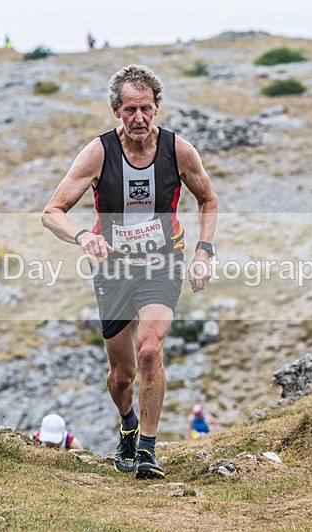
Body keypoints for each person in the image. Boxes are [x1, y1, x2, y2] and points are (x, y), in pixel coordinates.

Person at [41, 64, 218, 479]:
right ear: (116, 111)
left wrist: (203, 251)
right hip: (113, 267)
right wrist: (84, 235)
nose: (138, 118)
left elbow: (208, 199)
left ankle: (147, 451)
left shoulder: (179, 152)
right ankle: (128, 424)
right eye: (129, 110)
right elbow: (52, 212)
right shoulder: (99, 152)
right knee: (122, 374)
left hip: (162, 260)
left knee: (151, 351)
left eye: (145, 108)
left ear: (157, 108)